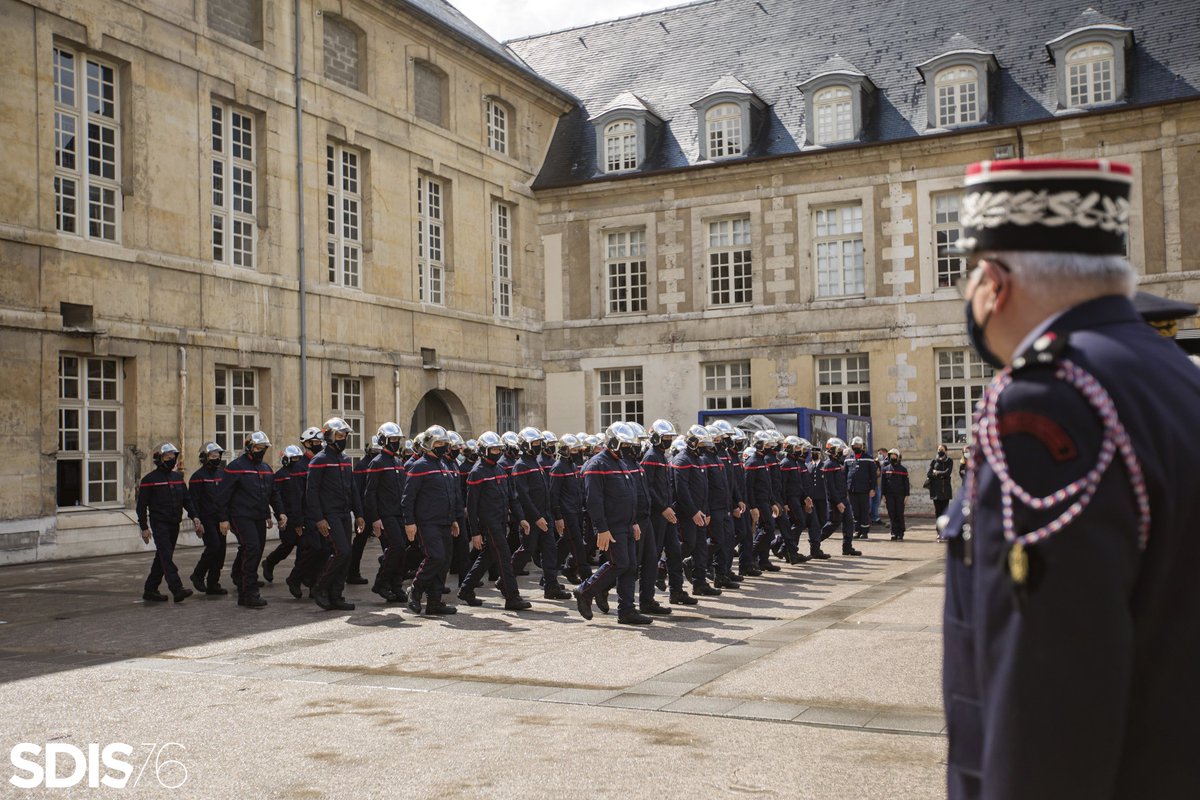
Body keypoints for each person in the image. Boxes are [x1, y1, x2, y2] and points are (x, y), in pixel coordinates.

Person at [940, 158, 1200, 798]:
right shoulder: (1172, 375)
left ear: (994, 282)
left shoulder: (1051, 399)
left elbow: (1049, 689)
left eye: (971, 272)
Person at [572, 422, 652, 625]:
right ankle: (585, 590)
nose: (628, 448)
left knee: (631, 566)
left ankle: (626, 610)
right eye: (624, 444)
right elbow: (593, 500)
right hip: (611, 526)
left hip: (626, 524)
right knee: (620, 563)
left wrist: (633, 522)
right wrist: (602, 529)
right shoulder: (597, 465)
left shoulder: (622, 463)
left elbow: (630, 495)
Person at [459, 431, 532, 610]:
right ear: (484, 450)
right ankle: (512, 597)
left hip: (501, 521)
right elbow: (472, 506)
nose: (497, 452)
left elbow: (511, 498)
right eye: (493, 449)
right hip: (489, 523)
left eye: (499, 449)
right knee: (505, 557)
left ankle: (466, 589)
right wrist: (475, 532)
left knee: (487, 557)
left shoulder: (499, 469)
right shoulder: (477, 473)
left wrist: (520, 518)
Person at [216, 432, 285, 608]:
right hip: (241, 516)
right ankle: (249, 592)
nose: (261, 451)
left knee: (253, 550)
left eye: (264, 448)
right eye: (257, 447)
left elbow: (273, 494)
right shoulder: (235, 467)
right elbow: (223, 495)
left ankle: (242, 583)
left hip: (259, 516)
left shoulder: (266, 468)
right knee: (252, 548)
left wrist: (279, 513)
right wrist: (223, 519)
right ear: (248, 447)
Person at [402, 425, 461, 616]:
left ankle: (435, 601)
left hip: (444, 521)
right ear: (429, 445)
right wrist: (409, 522)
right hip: (426, 522)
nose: (443, 447)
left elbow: (450, 495)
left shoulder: (444, 465)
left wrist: (452, 519)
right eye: (439, 443)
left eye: (445, 444)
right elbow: (408, 497)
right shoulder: (419, 466)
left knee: (444, 561)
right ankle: (415, 590)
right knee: (435, 557)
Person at [307, 418, 365, 611]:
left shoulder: (346, 460)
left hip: (343, 512)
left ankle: (336, 595)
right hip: (329, 514)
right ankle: (320, 587)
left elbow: (353, 489)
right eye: (340, 435)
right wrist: (319, 518)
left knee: (345, 555)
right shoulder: (319, 460)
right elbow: (311, 492)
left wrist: (359, 514)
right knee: (343, 551)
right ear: (329, 436)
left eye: (345, 436)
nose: (343, 439)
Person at [137, 443, 199, 603]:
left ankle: (150, 589)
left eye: (173, 456)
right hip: (159, 524)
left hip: (174, 523)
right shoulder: (149, 480)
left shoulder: (178, 478)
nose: (171, 459)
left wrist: (195, 516)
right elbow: (141, 506)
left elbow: (187, 500)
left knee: (163, 556)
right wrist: (144, 527)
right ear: (159, 459)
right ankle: (177, 588)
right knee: (165, 555)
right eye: (167, 457)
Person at [362, 423, 408, 604]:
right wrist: (374, 518)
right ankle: (381, 583)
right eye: (393, 439)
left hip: (399, 513)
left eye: (398, 439)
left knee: (401, 550)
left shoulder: (398, 462)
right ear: (384, 441)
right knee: (396, 546)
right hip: (385, 514)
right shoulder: (377, 463)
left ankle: (396, 585)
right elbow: (370, 493)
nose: (396, 443)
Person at [188, 442, 228, 595]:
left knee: (221, 551)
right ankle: (198, 574)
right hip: (207, 519)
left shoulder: (222, 474)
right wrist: (196, 519)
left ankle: (213, 583)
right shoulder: (198, 477)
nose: (216, 459)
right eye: (213, 456)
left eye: (218, 456)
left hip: (220, 518)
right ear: (205, 457)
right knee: (214, 546)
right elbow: (193, 500)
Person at [262, 445, 305, 584]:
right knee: (288, 545)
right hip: (287, 517)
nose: (296, 461)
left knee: (304, 546)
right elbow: (275, 498)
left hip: (302, 516)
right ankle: (269, 562)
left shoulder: (303, 473)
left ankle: (299, 575)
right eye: (293, 459)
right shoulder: (279, 476)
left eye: (298, 458)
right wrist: (278, 516)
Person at [844, 436, 877, 540]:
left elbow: (873, 475)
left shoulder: (869, 458)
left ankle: (864, 532)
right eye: (854, 445)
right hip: (852, 489)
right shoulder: (848, 458)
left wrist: (872, 488)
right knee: (855, 511)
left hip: (864, 490)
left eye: (858, 445)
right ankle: (857, 530)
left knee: (864, 511)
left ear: (862, 446)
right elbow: (844, 475)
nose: (856, 447)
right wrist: (845, 489)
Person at [880, 449, 909, 540]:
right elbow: (883, 483)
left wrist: (906, 495)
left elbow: (906, 484)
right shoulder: (885, 469)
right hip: (889, 495)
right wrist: (883, 495)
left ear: (898, 457)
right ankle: (893, 532)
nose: (893, 457)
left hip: (900, 495)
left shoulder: (903, 470)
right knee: (892, 514)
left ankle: (900, 532)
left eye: (894, 455)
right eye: (891, 455)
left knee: (899, 513)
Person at [926, 444, 953, 518]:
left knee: (945, 511)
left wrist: (936, 472)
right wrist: (941, 474)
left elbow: (947, 473)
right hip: (935, 490)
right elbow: (929, 474)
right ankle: (938, 528)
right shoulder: (934, 461)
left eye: (942, 450)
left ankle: (945, 528)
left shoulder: (949, 461)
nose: (940, 451)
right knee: (938, 511)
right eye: (939, 450)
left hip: (945, 489)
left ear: (946, 451)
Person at [871, 447, 887, 524]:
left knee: (877, 502)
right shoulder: (875, 462)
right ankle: (872, 517)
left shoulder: (887, 462)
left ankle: (875, 517)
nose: (879, 455)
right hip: (874, 485)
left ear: (885, 453)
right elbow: (876, 473)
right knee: (872, 502)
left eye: (881, 453)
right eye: (878, 453)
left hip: (880, 485)